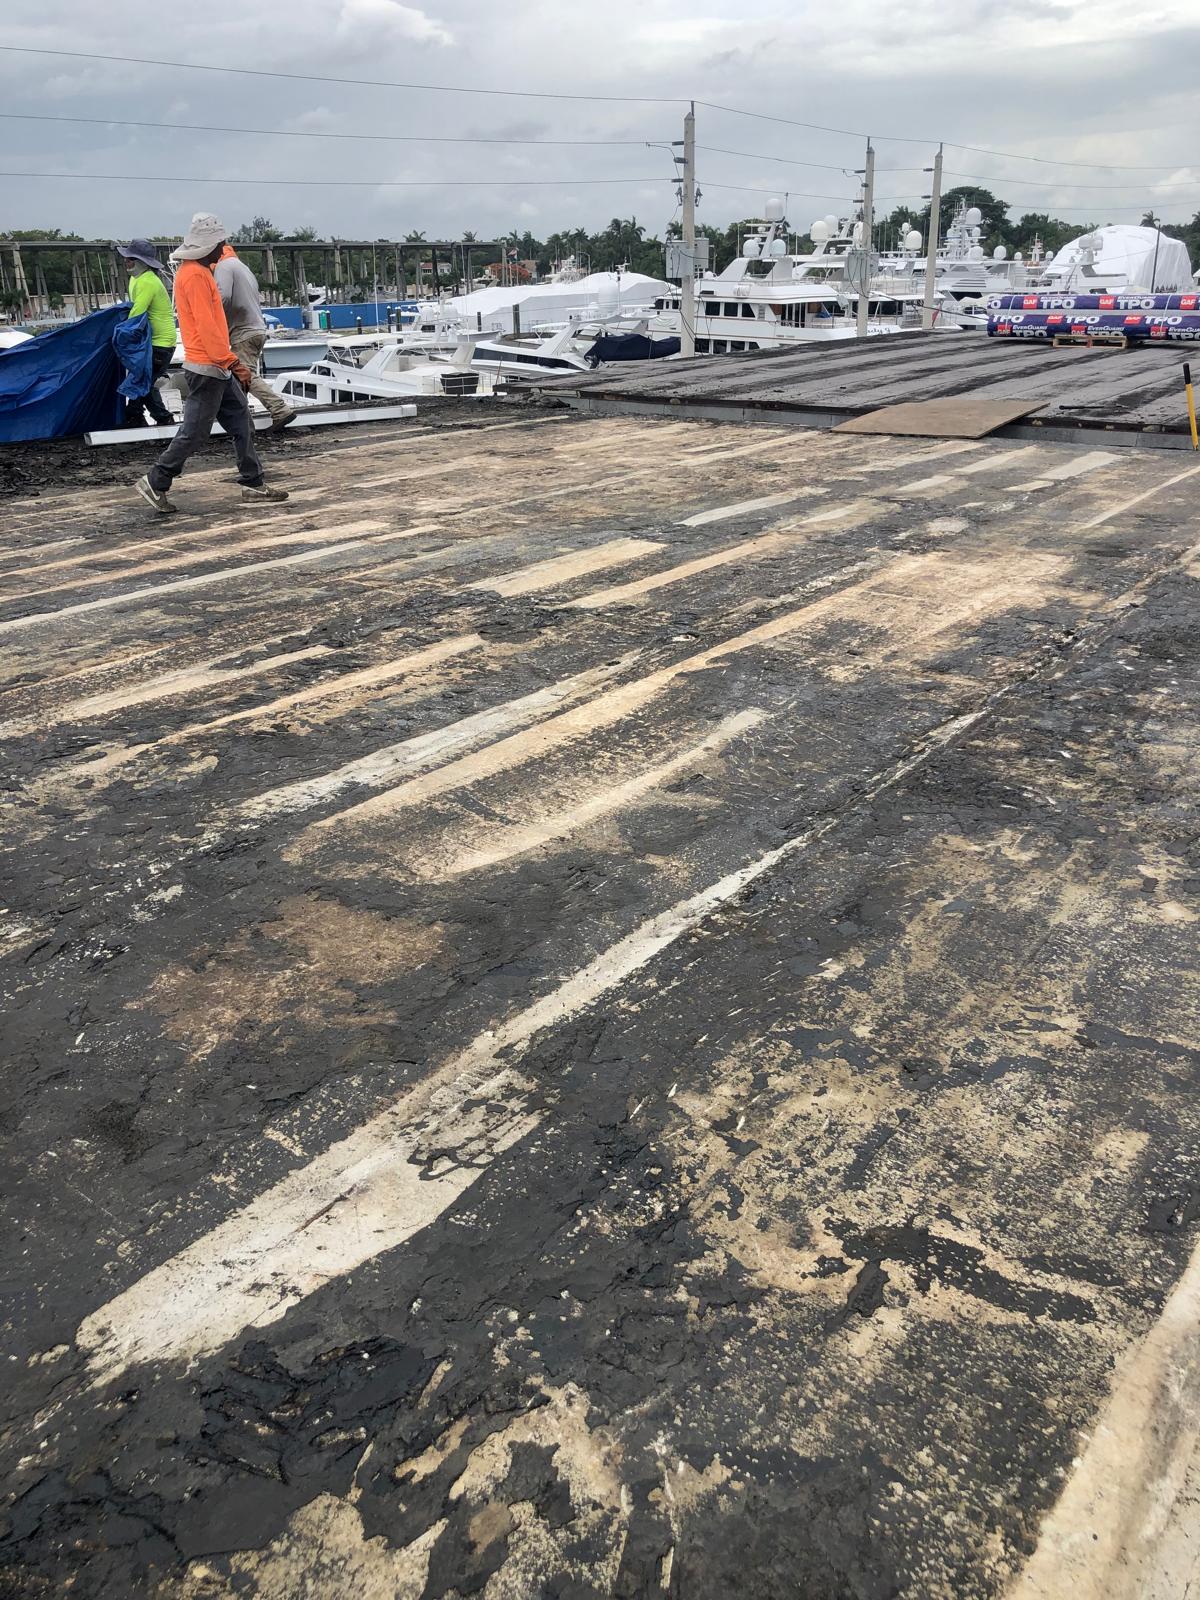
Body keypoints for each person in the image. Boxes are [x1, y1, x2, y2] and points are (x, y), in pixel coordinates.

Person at [135, 213, 288, 514]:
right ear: (209, 246)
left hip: (216, 367)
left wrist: (227, 363)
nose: (223, 248)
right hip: (207, 368)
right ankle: (156, 480)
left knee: (241, 420)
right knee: (194, 433)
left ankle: (253, 482)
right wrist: (234, 363)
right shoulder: (194, 276)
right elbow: (208, 330)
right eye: (220, 243)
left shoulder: (198, 272)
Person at [213, 236, 296, 429]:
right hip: (256, 328)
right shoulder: (242, 267)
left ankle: (279, 409)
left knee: (244, 374)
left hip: (243, 331)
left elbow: (223, 296)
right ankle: (241, 418)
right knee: (240, 377)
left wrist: (212, 318)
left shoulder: (224, 267)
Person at [117, 238, 176, 426]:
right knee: (142, 381)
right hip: (151, 343)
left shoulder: (148, 282)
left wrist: (119, 336)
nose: (126, 261)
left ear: (142, 262)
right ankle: (136, 417)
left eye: (130, 258)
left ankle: (160, 418)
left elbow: (137, 312)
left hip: (161, 344)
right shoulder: (137, 279)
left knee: (143, 382)